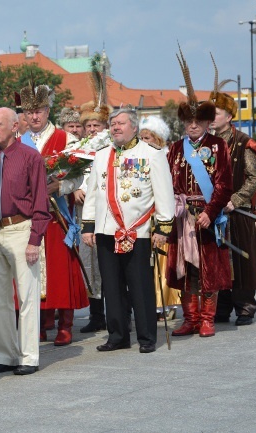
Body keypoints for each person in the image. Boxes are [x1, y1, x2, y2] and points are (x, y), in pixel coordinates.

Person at [82, 108, 174, 353]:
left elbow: (164, 193)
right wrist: (88, 225)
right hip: (106, 230)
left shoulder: (151, 154)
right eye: (113, 124)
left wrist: (163, 227)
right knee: (111, 286)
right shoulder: (102, 155)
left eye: (120, 124)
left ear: (133, 126)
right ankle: (118, 335)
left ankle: (146, 336)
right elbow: (92, 193)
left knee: (140, 285)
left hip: (138, 230)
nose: (115, 128)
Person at [165, 50, 233, 338]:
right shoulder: (176, 149)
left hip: (207, 216)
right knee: (185, 270)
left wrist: (209, 213)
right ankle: (189, 318)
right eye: (188, 122)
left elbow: (224, 184)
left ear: (207, 123)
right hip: (182, 217)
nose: (193, 126)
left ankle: (207, 318)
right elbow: (168, 182)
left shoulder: (218, 146)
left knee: (209, 269)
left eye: (198, 122)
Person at [0, 107, 51, 375]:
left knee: (27, 297)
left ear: (14, 127)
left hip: (21, 229)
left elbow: (41, 202)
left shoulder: (30, 157)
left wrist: (35, 239)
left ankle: (28, 356)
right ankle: (4, 355)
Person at [19, 83, 88, 346]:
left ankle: (65, 324)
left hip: (57, 213)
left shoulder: (65, 138)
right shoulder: (18, 142)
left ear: (48, 111)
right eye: (29, 112)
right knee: (32, 271)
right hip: (29, 217)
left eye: (39, 111)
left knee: (61, 270)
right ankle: (39, 323)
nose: (34, 117)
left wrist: (60, 185)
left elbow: (79, 175)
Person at [208, 89, 256, 326]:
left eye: (217, 113)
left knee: (242, 260)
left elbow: (254, 177)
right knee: (218, 258)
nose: (212, 117)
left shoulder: (244, 143)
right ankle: (221, 307)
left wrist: (236, 199)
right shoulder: (206, 143)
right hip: (214, 211)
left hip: (238, 212)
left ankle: (245, 307)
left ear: (229, 116)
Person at [138, 115, 181, 321]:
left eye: (149, 138)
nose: (144, 142)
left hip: (161, 216)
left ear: (159, 140)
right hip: (142, 218)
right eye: (142, 138)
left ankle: (165, 303)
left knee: (163, 261)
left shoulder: (165, 157)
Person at [76, 100, 111, 333]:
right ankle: (96, 315)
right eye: (88, 125)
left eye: (96, 124)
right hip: (84, 215)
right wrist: (76, 187)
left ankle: (121, 314)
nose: (91, 129)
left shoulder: (111, 147)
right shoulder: (78, 149)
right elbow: (70, 175)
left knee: (111, 265)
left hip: (108, 214)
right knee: (90, 264)